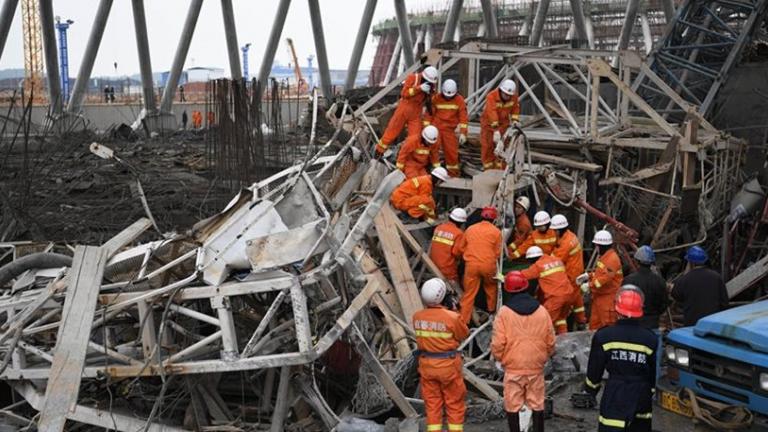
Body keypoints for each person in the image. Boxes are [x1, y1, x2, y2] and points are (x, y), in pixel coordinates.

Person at [580, 285, 657, 432]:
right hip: (641, 394)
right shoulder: (650, 338)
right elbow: (652, 372)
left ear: (618, 310)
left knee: (611, 426)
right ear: (640, 311)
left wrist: (590, 391)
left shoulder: (604, 336)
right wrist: (650, 391)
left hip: (615, 392)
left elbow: (595, 370)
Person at [492, 271, 555, 432]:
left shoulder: (504, 312)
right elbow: (550, 340)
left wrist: (499, 358)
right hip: (536, 366)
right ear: (526, 287)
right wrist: (546, 356)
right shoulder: (541, 311)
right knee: (537, 403)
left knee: (512, 404)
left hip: (513, 367)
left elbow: (498, 342)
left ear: (508, 290)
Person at [413, 278, 469, 432]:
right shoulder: (452, 317)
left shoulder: (417, 317)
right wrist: (454, 310)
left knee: (432, 405)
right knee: (454, 403)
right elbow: (463, 334)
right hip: (448, 367)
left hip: (427, 366)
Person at [376, 66, 439, 155]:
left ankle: (408, 156)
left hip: (416, 111)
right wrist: (418, 88)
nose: (429, 83)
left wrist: (430, 94)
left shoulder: (431, 85)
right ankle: (379, 151)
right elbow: (404, 93)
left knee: (415, 136)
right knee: (392, 131)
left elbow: (430, 103)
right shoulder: (413, 78)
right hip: (405, 107)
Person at [455, 206, 502, 324]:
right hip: (488, 265)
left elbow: (460, 248)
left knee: (469, 294)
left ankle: (464, 321)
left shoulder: (470, 229)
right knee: (491, 287)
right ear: (494, 219)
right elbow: (497, 253)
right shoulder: (496, 232)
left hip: (471, 265)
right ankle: (491, 313)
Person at [671, 246, 728, 326]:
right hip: (713, 323)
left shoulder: (685, 279)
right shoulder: (717, 277)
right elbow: (724, 302)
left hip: (692, 324)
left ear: (691, 263)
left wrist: (686, 274)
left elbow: (676, 295)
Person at [521, 246, 573, 334]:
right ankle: (564, 338)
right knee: (561, 319)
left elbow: (523, 275)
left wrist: (505, 278)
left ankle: (543, 340)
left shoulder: (538, 265)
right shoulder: (556, 260)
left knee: (545, 322)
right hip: (569, 294)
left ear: (532, 259)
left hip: (556, 297)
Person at [578, 230, 624, 330]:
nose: (596, 248)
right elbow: (600, 274)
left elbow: (605, 278)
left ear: (603, 246)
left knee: (608, 328)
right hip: (599, 297)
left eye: (597, 246)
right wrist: (589, 276)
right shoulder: (605, 257)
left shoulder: (612, 259)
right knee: (594, 326)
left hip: (608, 299)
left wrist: (589, 285)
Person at [424, 79, 468, 177]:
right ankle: (436, 172)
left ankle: (453, 174)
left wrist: (463, 133)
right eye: (446, 95)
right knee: (433, 149)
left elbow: (463, 117)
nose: (448, 97)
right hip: (436, 128)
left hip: (449, 130)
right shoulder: (436, 98)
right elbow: (429, 114)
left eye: (450, 96)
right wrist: (427, 128)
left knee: (451, 152)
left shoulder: (459, 100)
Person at [550, 214, 587, 327]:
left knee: (563, 309)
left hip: (570, 277)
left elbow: (555, 260)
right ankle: (581, 322)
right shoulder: (570, 236)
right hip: (576, 274)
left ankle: (564, 328)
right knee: (577, 299)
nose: (554, 233)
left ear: (559, 230)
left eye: (555, 230)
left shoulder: (566, 243)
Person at [623, 246, 668, 330]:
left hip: (633, 323)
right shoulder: (660, 281)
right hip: (652, 323)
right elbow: (664, 304)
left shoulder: (628, 280)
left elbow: (623, 302)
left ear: (637, 261)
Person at [480, 79, 520, 170]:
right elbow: (492, 112)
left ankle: (500, 170)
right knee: (487, 147)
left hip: (503, 125)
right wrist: (495, 130)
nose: (507, 97)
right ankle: (488, 170)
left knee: (502, 148)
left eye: (509, 95)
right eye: (505, 94)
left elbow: (515, 108)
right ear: (501, 91)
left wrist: (515, 120)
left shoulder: (513, 97)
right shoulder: (491, 96)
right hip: (488, 125)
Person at [430, 208, 467, 284]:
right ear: (461, 223)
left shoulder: (439, 227)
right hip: (447, 271)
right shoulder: (459, 233)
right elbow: (457, 254)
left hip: (432, 266)